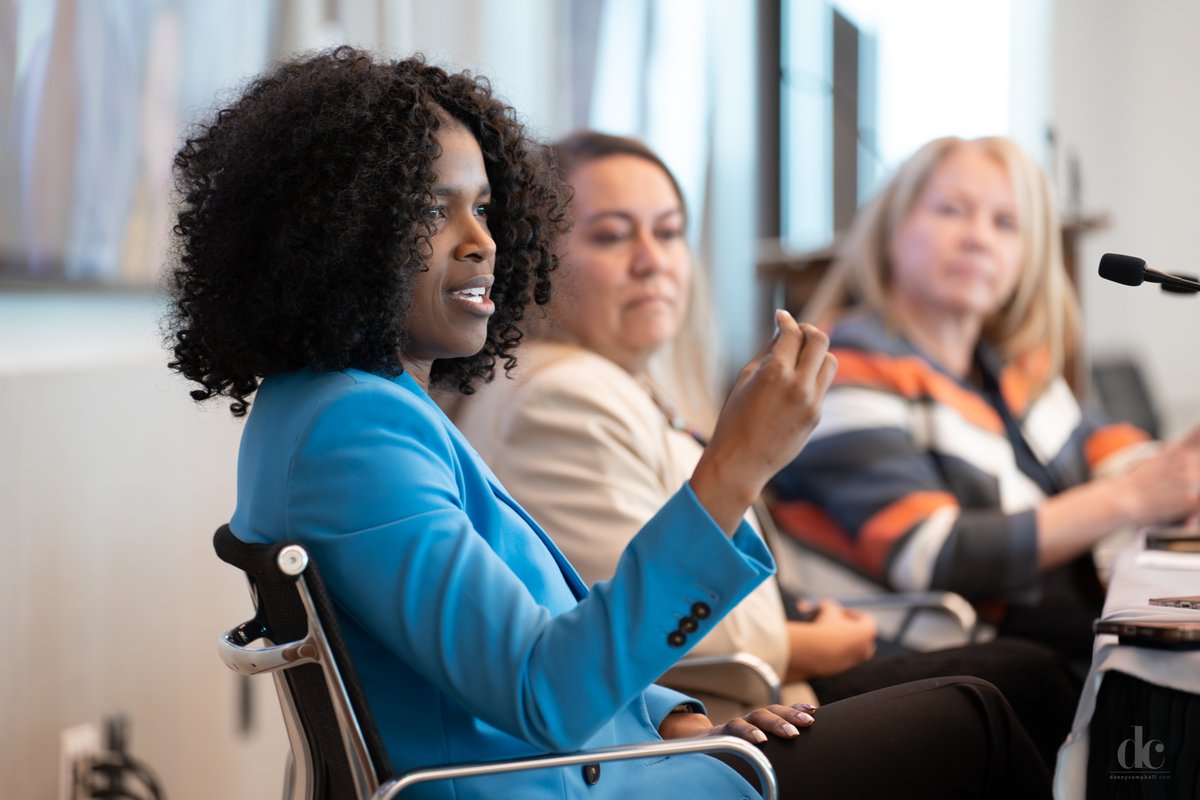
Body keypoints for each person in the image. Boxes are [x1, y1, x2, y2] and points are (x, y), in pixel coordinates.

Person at [166, 49, 1051, 799]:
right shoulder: (352, 433)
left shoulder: (349, 408)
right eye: (434, 211)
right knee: (978, 714)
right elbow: (541, 692)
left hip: (614, 753)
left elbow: (530, 632)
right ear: (336, 232)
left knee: (985, 698)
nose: (483, 241)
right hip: (575, 779)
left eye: (485, 206)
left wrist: (676, 712)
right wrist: (733, 470)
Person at [450, 130, 1081, 769]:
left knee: (1026, 672)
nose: (652, 260)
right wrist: (808, 639)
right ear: (532, 254)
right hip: (700, 723)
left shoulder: (611, 380)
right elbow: (636, 621)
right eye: (613, 236)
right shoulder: (557, 394)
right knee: (1015, 687)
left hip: (742, 697)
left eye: (668, 233)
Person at [767, 135, 1200, 663]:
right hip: (910, 660)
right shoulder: (844, 366)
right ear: (891, 231)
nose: (977, 238)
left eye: (1005, 223)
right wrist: (1134, 496)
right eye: (952, 211)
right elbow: (932, 552)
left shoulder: (1011, 367)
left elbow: (1103, 449)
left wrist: (1177, 473)